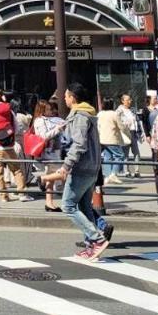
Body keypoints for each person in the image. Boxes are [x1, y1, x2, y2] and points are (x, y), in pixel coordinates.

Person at [40, 83, 110, 260]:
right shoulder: (89, 114)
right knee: (85, 206)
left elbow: (78, 144)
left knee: (68, 205)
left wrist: (66, 166)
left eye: (66, 95)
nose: (64, 98)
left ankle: (96, 239)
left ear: (73, 97)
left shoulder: (80, 116)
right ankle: (90, 245)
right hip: (92, 166)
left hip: (81, 167)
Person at [0, 91, 30, 201]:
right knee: (16, 170)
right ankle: (22, 193)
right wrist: (10, 137)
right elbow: (16, 127)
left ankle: (4, 196)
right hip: (10, 146)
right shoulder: (10, 111)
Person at [31, 100, 66, 212]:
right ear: (42, 110)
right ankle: (42, 179)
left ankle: (49, 202)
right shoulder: (40, 121)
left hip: (53, 152)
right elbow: (43, 136)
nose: (51, 111)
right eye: (48, 109)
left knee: (51, 178)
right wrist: (58, 129)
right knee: (65, 173)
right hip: (48, 153)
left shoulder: (48, 120)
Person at [97, 99, 128, 184]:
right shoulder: (114, 114)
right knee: (120, 155)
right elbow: (121, 126)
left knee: (108, 157)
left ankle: (107, 176)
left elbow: (98, 126)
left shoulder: (100, 114)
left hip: (102, 139)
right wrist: (127, 133)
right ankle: (113, 174)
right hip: (112, 139)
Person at [116, 93, 142, 178]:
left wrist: (140, 133)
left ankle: (137, 171)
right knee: (125, 153)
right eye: (127, 100)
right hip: (125, 133)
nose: (129, 101)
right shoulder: (119, 111)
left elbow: (137, 121)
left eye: (130, 99)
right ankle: (126, 171)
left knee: (136, 153)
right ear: (123, 101)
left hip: (133, 132)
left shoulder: (133, 110)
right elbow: (117, 122)